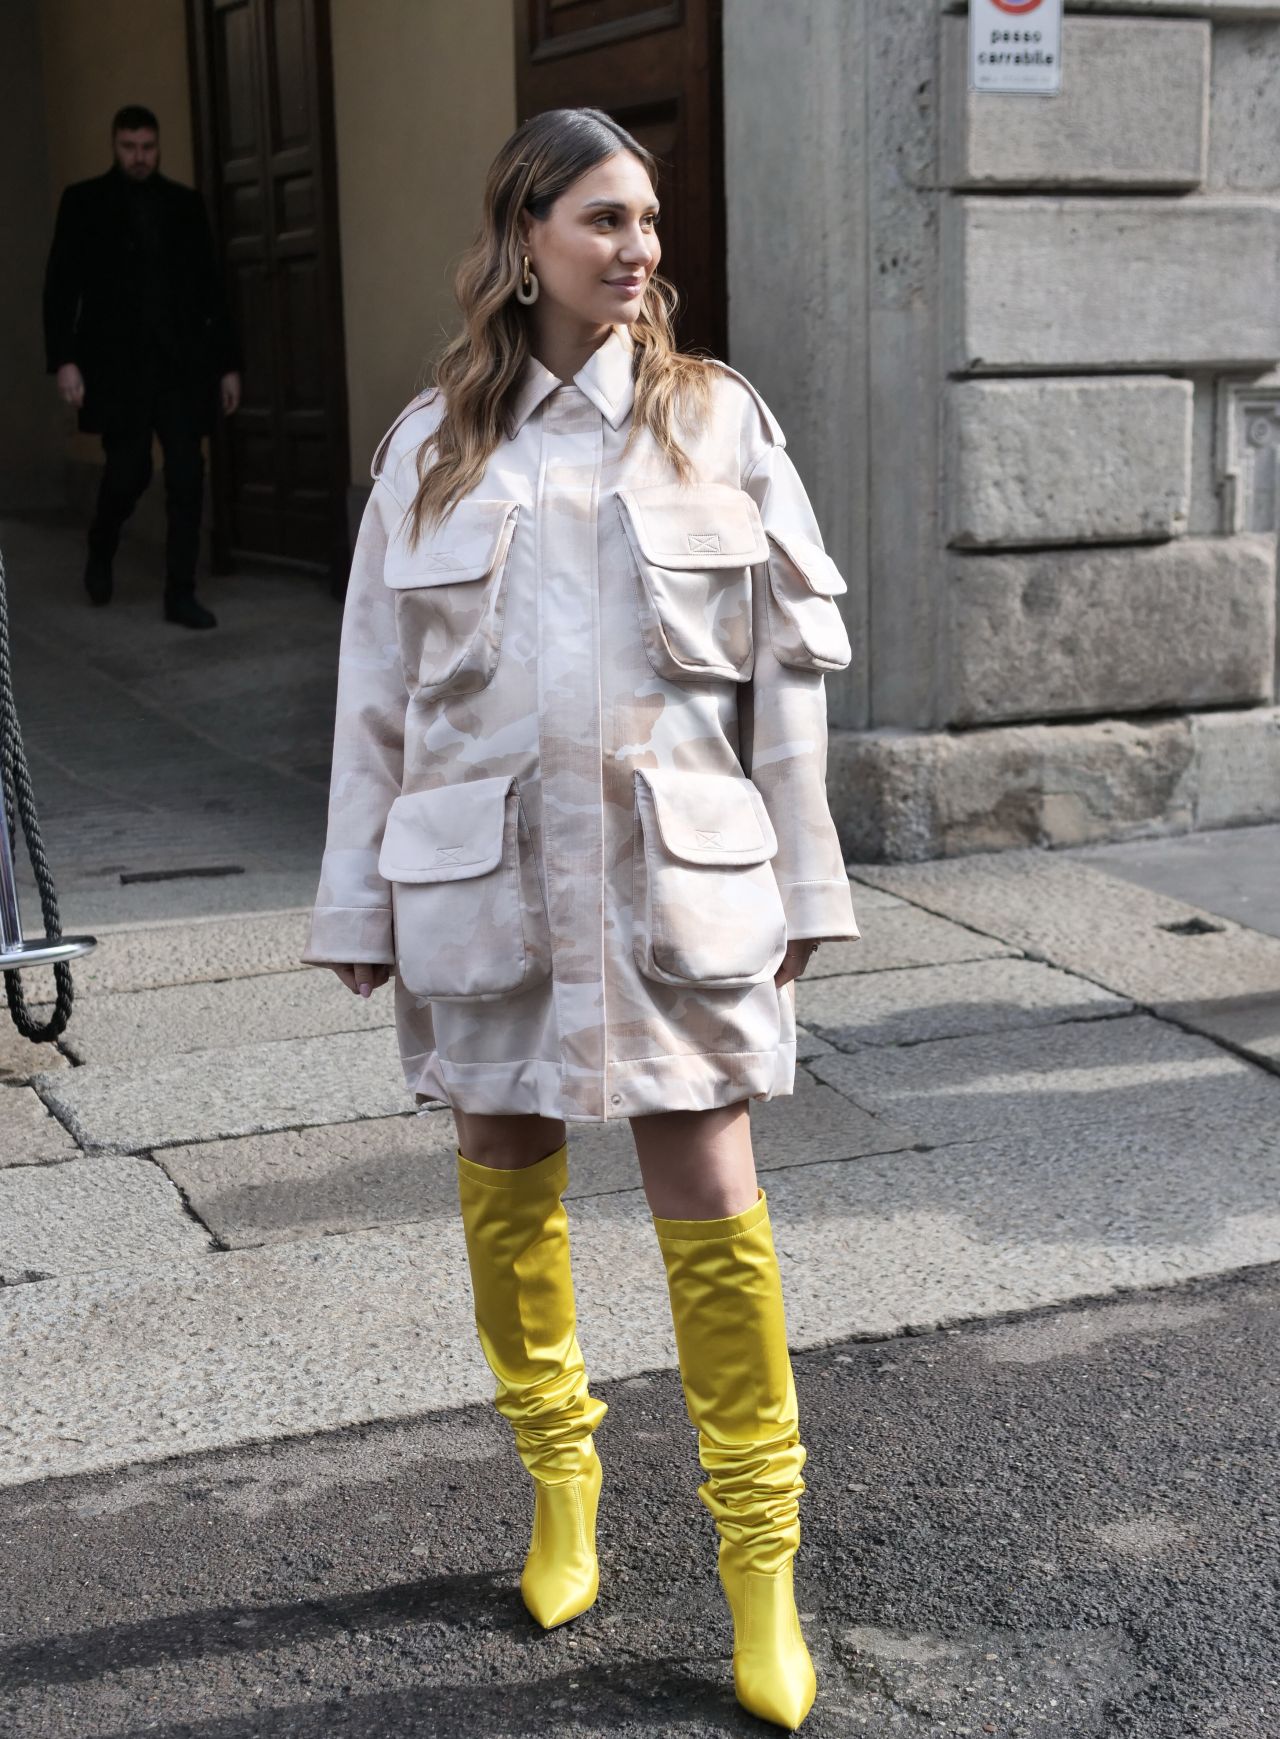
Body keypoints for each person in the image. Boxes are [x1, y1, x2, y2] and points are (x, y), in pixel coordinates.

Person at [301, 107, 859, 1731]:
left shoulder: (716, 424)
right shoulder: (432, 447)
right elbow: (371, 695)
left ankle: (763, 1569)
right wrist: (358, 893)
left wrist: (806, 877)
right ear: (526, 234)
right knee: (506, 1182)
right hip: (483, 876)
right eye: (608, 219)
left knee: (712, 1192)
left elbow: (793, 669)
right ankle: (563, 1492)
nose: (643, 249)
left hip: (676, 878)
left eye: (652, 220)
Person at [42, 104, 242, 630]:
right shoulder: (85, 203)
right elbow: (62, 286)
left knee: (185, 475)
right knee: (127, 473)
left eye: (147, 147)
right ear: (115, 145)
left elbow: (209, 292)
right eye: (130, 147)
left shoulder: (184, 206)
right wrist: (64, 360)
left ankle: (181, 592)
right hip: (117, 370)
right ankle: (101, 546)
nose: (139, 157)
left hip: (180, 369)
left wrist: (227, 365)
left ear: (158, 146)